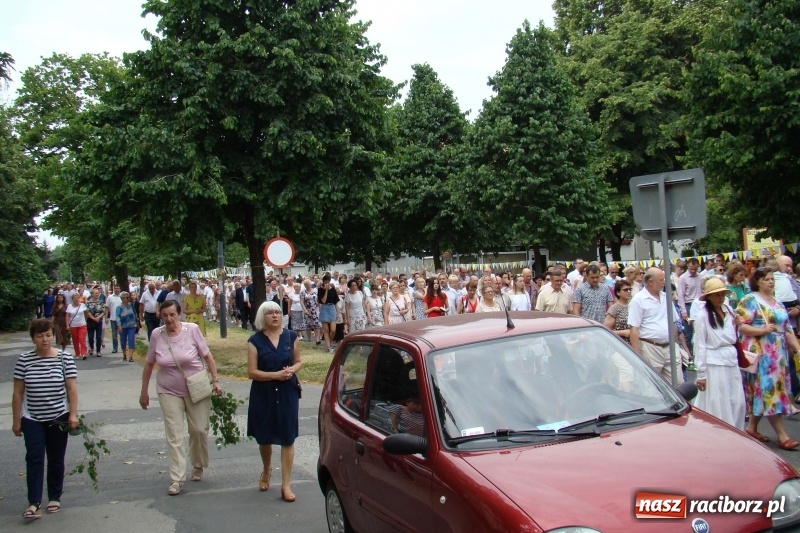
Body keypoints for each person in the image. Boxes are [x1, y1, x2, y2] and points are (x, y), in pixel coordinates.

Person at [139, 300, 223, 495]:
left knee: (199, 430)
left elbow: (208, 357)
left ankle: (198, 464)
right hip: (168, 390)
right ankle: (177, 478)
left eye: (172, 315)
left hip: (196, 388)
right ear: (161, 316)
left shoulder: (192, 330)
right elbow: (149, 364)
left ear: (179, 315)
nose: (169, 319)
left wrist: (216, 381)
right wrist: (144, 392)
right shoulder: (156, 335)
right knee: (174, 434)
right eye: (165, 315)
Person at [12, 319, 79, 521]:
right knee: (34, 457)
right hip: (32, 417)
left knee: (56, 458)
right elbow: (17, 393)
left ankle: (54, 496)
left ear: (53, 336)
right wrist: (16, 420)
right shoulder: (24, 360)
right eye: (40, 336)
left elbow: (72, 389)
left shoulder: (64, 358)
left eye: (48, 335)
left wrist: (73, 414)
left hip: (58, 416)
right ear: (33, 338)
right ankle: (34, 502)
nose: (44, 339)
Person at [737, 267, 800, 449]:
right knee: (769, 390)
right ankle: (782, 435)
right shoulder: (750, 300)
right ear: (757, 282)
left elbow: (787, 328)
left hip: (778, 354)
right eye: (766, 279)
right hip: (761, 352)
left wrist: (797, 348)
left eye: (772, 279)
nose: (771, 282)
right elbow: (741, 326)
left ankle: (751, 427)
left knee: (767, 390)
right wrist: (763, 330)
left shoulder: (778, 303)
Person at [246, 301, 303, 503]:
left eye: (277, 312)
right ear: (263, 317)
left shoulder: (291, 337)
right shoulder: (254, 341)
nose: (275, 316)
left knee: (288, 437)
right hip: (264, 393)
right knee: (265, 436)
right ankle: (266, 469)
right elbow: (252, 371)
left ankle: (286, 484)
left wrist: (292, 371)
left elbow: (298, 361)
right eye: (269, 313)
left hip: (287, 391)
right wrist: (275, 375)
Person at [692, 278, 745, 430]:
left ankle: (735, 430)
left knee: (737, 401)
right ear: (708, 296)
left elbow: (733, 335)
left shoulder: (728, 310)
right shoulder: (702, 316)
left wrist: (737, 324)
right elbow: (700, 345)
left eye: (722, 294)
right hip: (714, 362)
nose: (720, 298)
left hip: (731, 360)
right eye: (716, 295)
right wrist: (701, 374)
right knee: (718, 402)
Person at [628, 268, 683, 384]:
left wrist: (676, 346)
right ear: (650, 282)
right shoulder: (638, 299)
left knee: (678, 384)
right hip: (650, 348)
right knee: (652, 386)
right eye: (661, 280)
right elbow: (634, 328)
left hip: (670, 347)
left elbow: (673, 323)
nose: (664, 282)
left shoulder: (666, 297)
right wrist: (637, 354)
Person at [318, 275, 340, 353]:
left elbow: (336, 302)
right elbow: (323, 301)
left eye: (328, 282)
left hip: (332, 308)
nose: (327, 283)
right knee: (326, 330)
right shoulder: (320, 290)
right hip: (324, 308)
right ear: (323, 282)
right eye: (326, 282)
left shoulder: (333, 290)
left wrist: (338, 313)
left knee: (333, 330)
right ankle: (328, 347)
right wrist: (326, 290)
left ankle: (329, 343)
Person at [116, 292, 139, 362]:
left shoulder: (131, 305)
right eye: (127, 297)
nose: (129, 298)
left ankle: (131, 357)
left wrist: (137, 322)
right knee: (123, 341)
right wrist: (119, 325)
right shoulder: (119, 307)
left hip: (132, 325)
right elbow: (117, 317)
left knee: (131, 340)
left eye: (129, 297)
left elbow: (135, 313)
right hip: (123, 326)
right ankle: (124, 355)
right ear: (123, 299)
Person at [66, 293, 90, 360]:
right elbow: (67, 316)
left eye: (77, 298)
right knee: (75, 340)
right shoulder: (69, 306)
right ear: (72, 299)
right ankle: (77, 353)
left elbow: (86, 313)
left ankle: (84, 353)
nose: (76, 299)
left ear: (79, 298)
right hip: (73, 325)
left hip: (82, 325)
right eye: (74, 298)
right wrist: (67, 324)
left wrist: (85, 320)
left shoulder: (82, 305)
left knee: (82, 339)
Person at [85, 289, 105, 357]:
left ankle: (98, 351)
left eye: (98, 293)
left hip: (99, 321)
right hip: (91, 321)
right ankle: (91, 348)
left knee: (99, 337)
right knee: (90, 337)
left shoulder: (101, 302)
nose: (97, 294)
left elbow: (103, 311)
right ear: (92, 294)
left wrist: (98, 317)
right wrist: (93, 318)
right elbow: (87, 312)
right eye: (96, 293)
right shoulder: (88, 302)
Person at [105, 286, 123, 354]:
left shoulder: (122, 296)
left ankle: (123, 347)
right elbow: (106, 307)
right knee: (114, 334)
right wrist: (106, 317)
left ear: (120, 289)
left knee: (122, 334)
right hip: (113, 318)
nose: (116, 289)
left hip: (121, 319)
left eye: (118, 288)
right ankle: (115, 348)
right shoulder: (110, 297)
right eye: (115, 288)